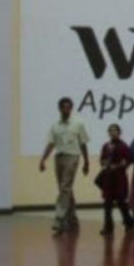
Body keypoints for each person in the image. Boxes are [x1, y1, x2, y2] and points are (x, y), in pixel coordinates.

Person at [39, 97, 90, 234]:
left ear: (71, 108)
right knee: (65, 188)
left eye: (68, 107)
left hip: (72, 156)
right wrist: (43, 159)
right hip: (59, 157)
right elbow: (51, 143)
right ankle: (72, 218)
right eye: (63, 107)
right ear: (59, 108)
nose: (66, 110)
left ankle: (58, 219)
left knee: (65, 187)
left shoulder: (78, 123)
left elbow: (83, 143)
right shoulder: (55, 125)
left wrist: (86, 162)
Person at [96, 123, 134, 235]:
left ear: (119, 132)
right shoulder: (106, 146)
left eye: (115, 130)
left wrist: (120, 165)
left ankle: (129, 223)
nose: (113, 133)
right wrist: (105, 163)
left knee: (121, 202)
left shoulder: (123, 146)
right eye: (111, 131)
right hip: (108, 178)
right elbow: (102, 160)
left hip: (119, 178)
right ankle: (108, 227)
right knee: (107, 203)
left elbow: (129, 159)